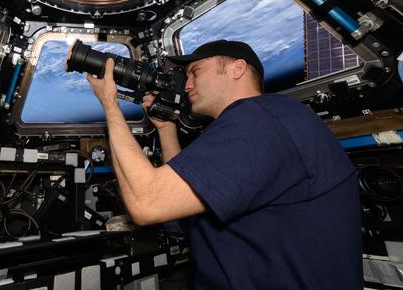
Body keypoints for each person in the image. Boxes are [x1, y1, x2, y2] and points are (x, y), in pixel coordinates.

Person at [85, 39, 362, 289]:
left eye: (195, 72)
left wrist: (109, 104)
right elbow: (181, 208)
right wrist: (166, 130)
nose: (188, 83)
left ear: (237, 69)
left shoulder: (259, 121)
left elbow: (146, 203)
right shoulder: (268, 119)